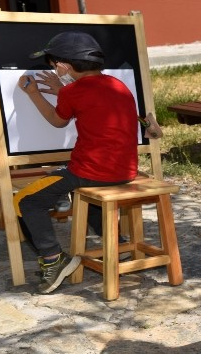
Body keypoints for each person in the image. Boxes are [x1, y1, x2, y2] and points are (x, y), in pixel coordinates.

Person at [16, 31, 143, 294]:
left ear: (63, 66)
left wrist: (33, 93)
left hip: (91, 172)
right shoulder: (117, 85)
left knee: (26, 201)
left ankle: (53, 260)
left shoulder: (73, 91)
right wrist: (64, 88)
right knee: (84, 190)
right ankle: (115, 243)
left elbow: (57, 120)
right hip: (126, 171)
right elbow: (93, 103)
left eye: (53, 64)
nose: (52, 68)